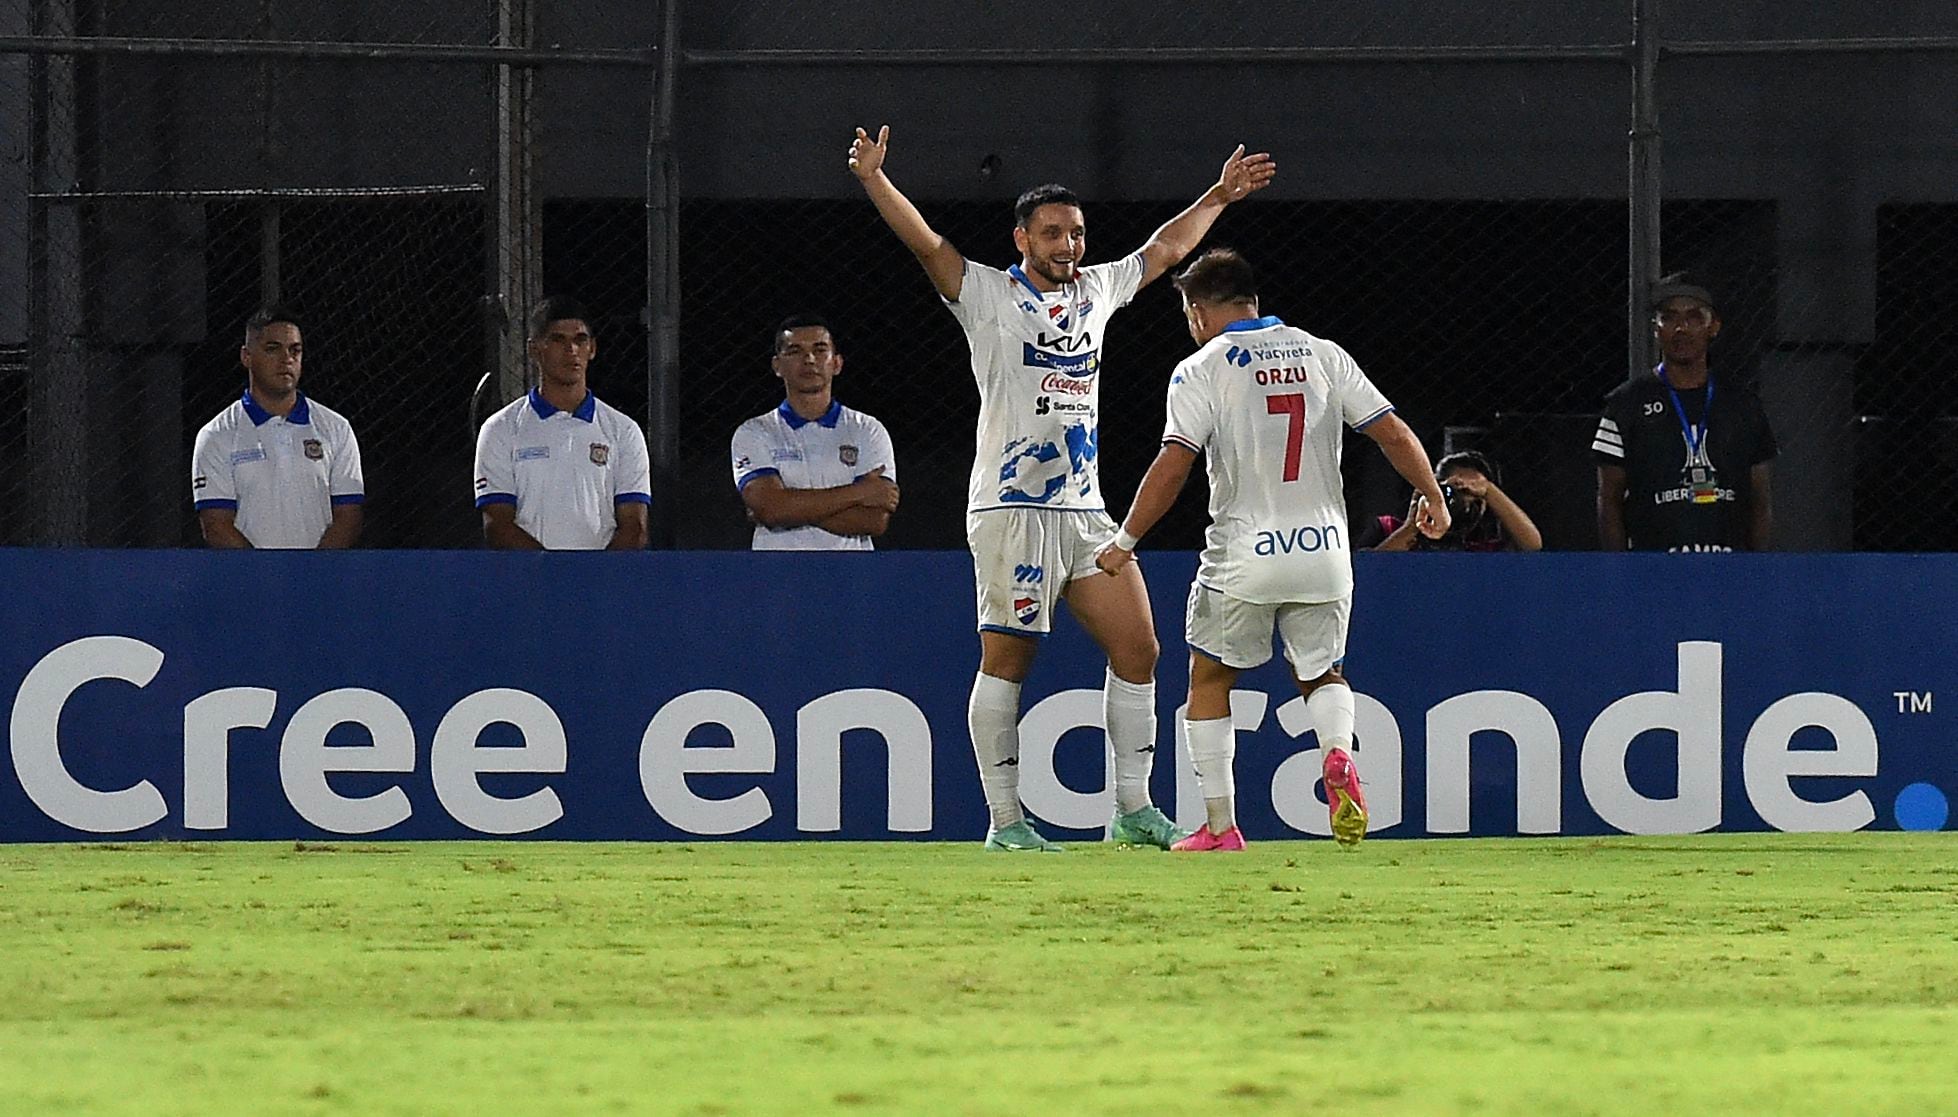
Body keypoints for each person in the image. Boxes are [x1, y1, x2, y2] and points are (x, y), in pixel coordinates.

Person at [849, 123, 1275, 852]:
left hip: (1085, 510)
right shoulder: (985, 294)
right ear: (1022, 240)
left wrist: (1220, 195)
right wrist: (875, 180)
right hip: (1012, 509)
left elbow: (1166, 249)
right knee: (1007, 661)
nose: (1068, 246)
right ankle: (1006, 821)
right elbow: (926, 243)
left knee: (1139, 647)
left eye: (1075, 233)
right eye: (1052, 234)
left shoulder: (1098, 289)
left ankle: (1133, 809)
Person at [1095, 248, 1450, 852]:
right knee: (1322, 673)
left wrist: (1126, 540)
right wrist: (1433, 497)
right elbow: (1389, 429)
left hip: (1245, 554)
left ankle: (1219, 826)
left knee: (1209, 677)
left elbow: (1175, 459)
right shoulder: (1322, 353)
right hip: (1325, 550)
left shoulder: (1202, 367)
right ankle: (1337, 755)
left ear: (1198, 309)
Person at [1594, 275, 1776, 553]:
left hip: (1730, 568)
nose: (1681, 328)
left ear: (1713, 326)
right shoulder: (1625, 404)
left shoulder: (1743, 405)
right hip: (1652, 568)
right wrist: (1618, 573)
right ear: (1655, 328)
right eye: (1668, 318)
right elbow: (1609, 500)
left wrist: (1757, 569)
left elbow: (1760, 500)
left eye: (1694, 317)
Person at [474, 297, 651, 550]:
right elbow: (497, 525)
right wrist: (552, 576)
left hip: (600, 584)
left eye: (580, 340)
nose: (572, 350)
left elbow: (635, 527)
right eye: (558, 340)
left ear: (592, 349)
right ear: (534, 349)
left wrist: (599, 579)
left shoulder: (623, 430)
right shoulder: (500, 429)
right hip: (530, 583)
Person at [191, 306, 364, 549]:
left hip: (319, 582)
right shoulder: (217, 435)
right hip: (251, 583)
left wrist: (314, 574)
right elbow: (216, 525)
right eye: (273, 349)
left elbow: (349, 516)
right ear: (246, 356)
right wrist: (266, 579)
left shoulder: (336, 429)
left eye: (295, 350)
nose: (287, 359)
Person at [731, 315, 900, 550]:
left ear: (837, 363)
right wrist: (860, 492)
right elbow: (770, 509)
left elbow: (874, 520)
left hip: (851, 575)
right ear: (777, 366)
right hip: (776, 574)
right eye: (794, 351)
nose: (809, 359)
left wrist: (788, 508)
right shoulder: (754, 432)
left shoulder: (867, 429)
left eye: (820, 350)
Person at [1370, 450, 1542, 552]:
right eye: (1455, 493)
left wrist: (1488, 489)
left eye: (1475, 497)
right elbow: (1368, 569)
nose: (1465, 503)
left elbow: (1532, 546)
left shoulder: (1486, 547)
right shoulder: (1388, 527)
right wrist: (1413, 524)